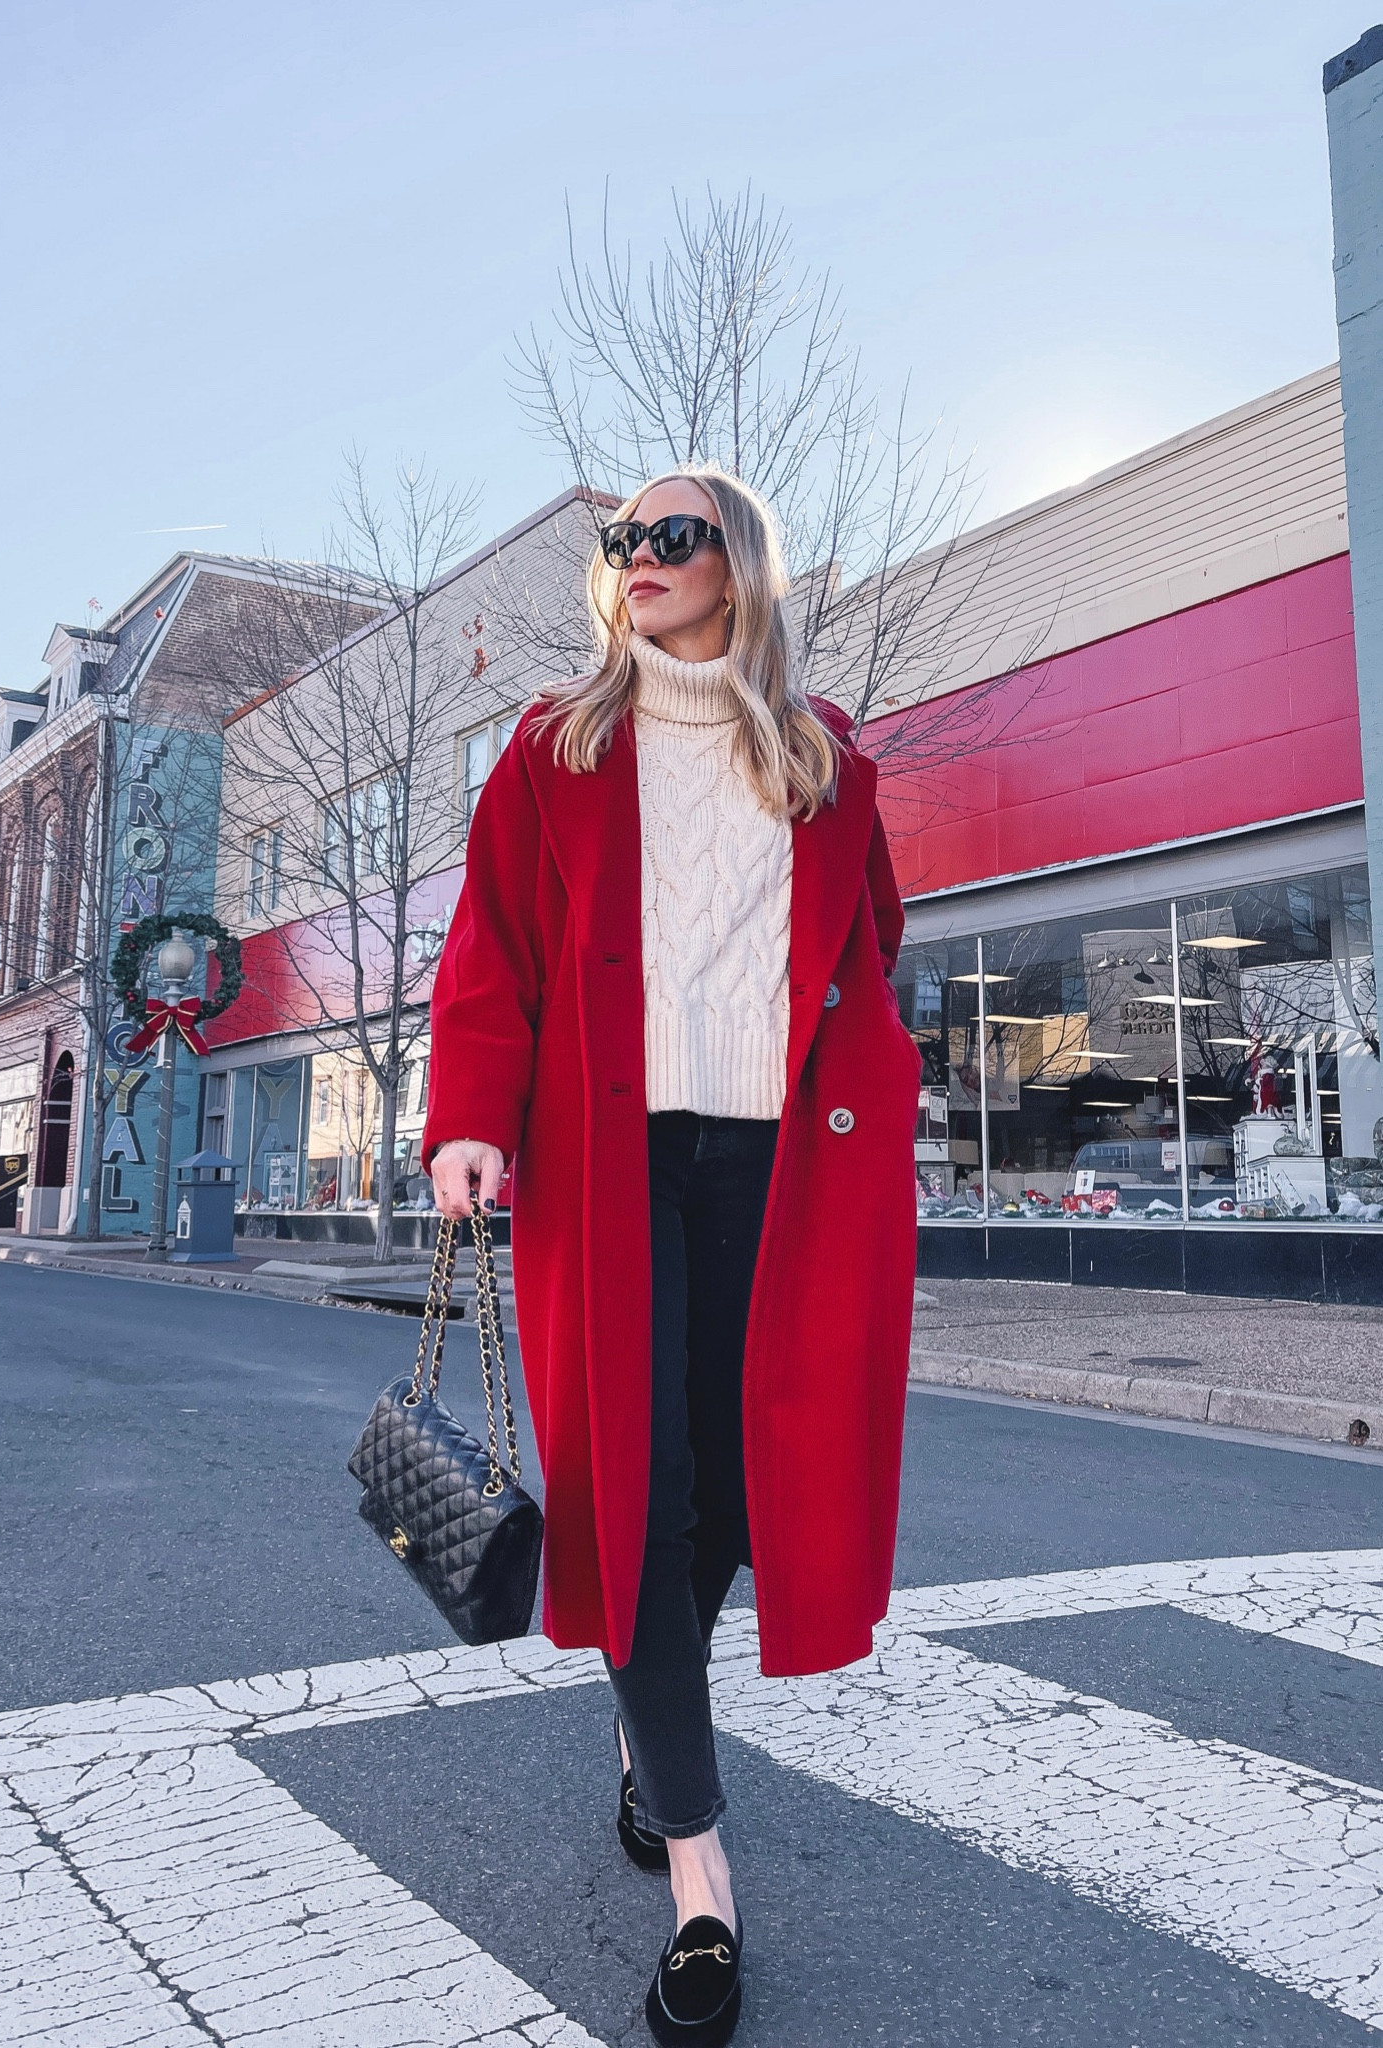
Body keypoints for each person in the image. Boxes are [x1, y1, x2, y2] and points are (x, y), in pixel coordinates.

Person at [423, 463, 921, 2044]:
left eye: (673, 534)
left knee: (729, 1480)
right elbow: (488, 946)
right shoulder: (555, 744)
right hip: (605, 1159)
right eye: (622, 538)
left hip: (776, 1169)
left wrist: (874, 1075)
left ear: (737, 561)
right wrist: (466, 1117)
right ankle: (700, 1875)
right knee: (631, 1493)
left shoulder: (824, 758)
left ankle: (650, 1747)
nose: (639, 557)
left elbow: (872, 944)